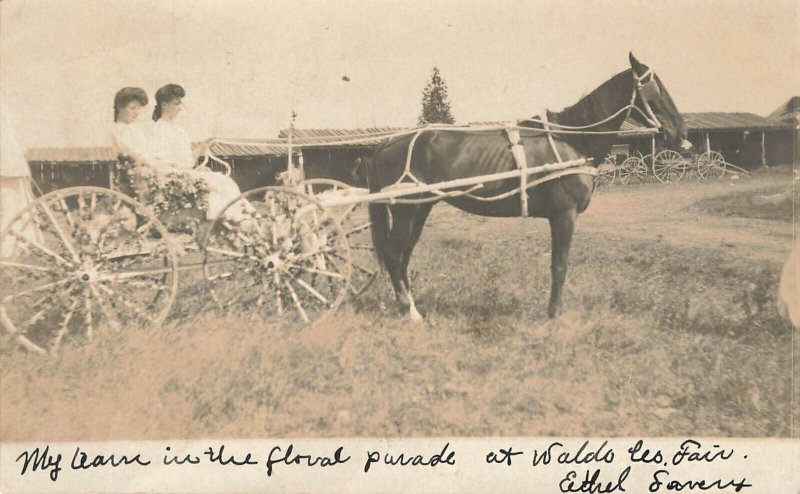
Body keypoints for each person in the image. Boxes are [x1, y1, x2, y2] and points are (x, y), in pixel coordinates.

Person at [148, 84, 250, 221]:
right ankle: (240, 217)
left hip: (184, 174)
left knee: (223, 182)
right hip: (173, 177)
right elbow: (160, 162)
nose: (180, 107)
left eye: (180, 103)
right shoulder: (159, 130)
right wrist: (188, 171)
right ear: (165, 105)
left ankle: (245, 215)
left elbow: (187, 162)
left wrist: (202, 146)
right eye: (176, 103)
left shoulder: (178, 130)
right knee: (221, 181)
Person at [1, 99, 42, 257]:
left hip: (8, 164)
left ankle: (11, 249)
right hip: (10, 163)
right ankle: (15, 247)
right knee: (10, 208)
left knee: (11, 208)